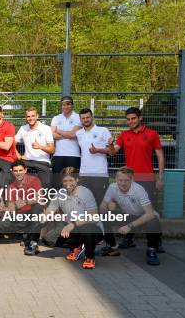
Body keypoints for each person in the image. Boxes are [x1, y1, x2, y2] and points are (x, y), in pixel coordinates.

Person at [112, 107, 165, 252]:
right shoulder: (124, 135)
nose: (130, 121)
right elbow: (113, 151)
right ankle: (129, 239)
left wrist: (160, 177)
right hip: (130, 181)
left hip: (148, 180)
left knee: (151, 212)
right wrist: (110, 146)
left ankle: (155, 243)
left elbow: (160, 155)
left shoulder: (152, 134)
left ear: (140, 118)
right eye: (128, 119)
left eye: (133, 118)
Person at [75, 108, 118, 256]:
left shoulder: (103, 130)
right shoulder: (79, 133)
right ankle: (87, 241)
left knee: (102, 210)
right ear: (80, 119)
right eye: (83, 118)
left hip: (100, 175)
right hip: (84, 176)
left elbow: (112, 152)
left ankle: (112, 245)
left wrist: (100, 150)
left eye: (88, 117)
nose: (86, 120)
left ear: (92, 117)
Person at [100, 167, 163, 266]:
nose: (123, 183)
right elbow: (103, 206)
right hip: (129, 215)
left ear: (132, 180)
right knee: (104, 216)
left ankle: (152, 250)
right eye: (120, 180)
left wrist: (129, 226)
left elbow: (149, 213)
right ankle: (112, 246)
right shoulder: (112, 187)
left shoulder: (138, 189)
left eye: (126, 180)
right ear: (116, 179)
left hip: (145, 216)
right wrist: (109, 205)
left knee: (153, 221)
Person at [45, 167, 103, 269]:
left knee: (87, 229)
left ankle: (90, 257)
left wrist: (73, 224)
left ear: (77, 180)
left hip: (93, 228)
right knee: (50, 239)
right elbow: (50, 211)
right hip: (74, 228)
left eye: (71, 180)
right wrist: (46, 215)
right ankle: (76, 247)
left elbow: (93, 217)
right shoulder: (60, 194)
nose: (68, 183)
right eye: (65, 181)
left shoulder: (85, 193)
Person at [1, 160, 45, 256]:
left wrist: (24, 201)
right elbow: (10, 206)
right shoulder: (10, 187)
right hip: (20, 216)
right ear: (12, 172)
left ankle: (32, 243)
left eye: (20, 170)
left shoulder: (34, 180)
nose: (18, 173)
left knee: (38, 208)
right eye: (15, 171)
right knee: (2, 222)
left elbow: (39, 197)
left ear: (25, 170)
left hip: (33, 213)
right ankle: (26, 234)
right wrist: (14, 206)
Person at [14, 106, 55, 187]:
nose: (30, 118)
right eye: (28, 116)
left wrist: (40, 147)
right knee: (14, 174)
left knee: (46, 184)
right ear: (26, 117)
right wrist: (18, 155)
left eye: (33, 116)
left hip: (42, 161)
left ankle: (44, 199)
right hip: (27, 161)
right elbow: (12, 143)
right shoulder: (23, 128)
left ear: (37, 116)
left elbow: (52, 150)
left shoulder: (46, 128)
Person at [50, 96, 82, 187]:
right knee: (57, 182)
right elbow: (52, 135)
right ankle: (58, 201)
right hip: (58, 155)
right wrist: (69, 134)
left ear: (72, 105)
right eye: (63, 104)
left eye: (68, 104)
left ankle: (73, 200)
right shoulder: (56, 118)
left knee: (72, 181)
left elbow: (73, 134)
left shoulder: (77, 117)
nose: (66, 106)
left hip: (73, 155)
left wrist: (58, 130)